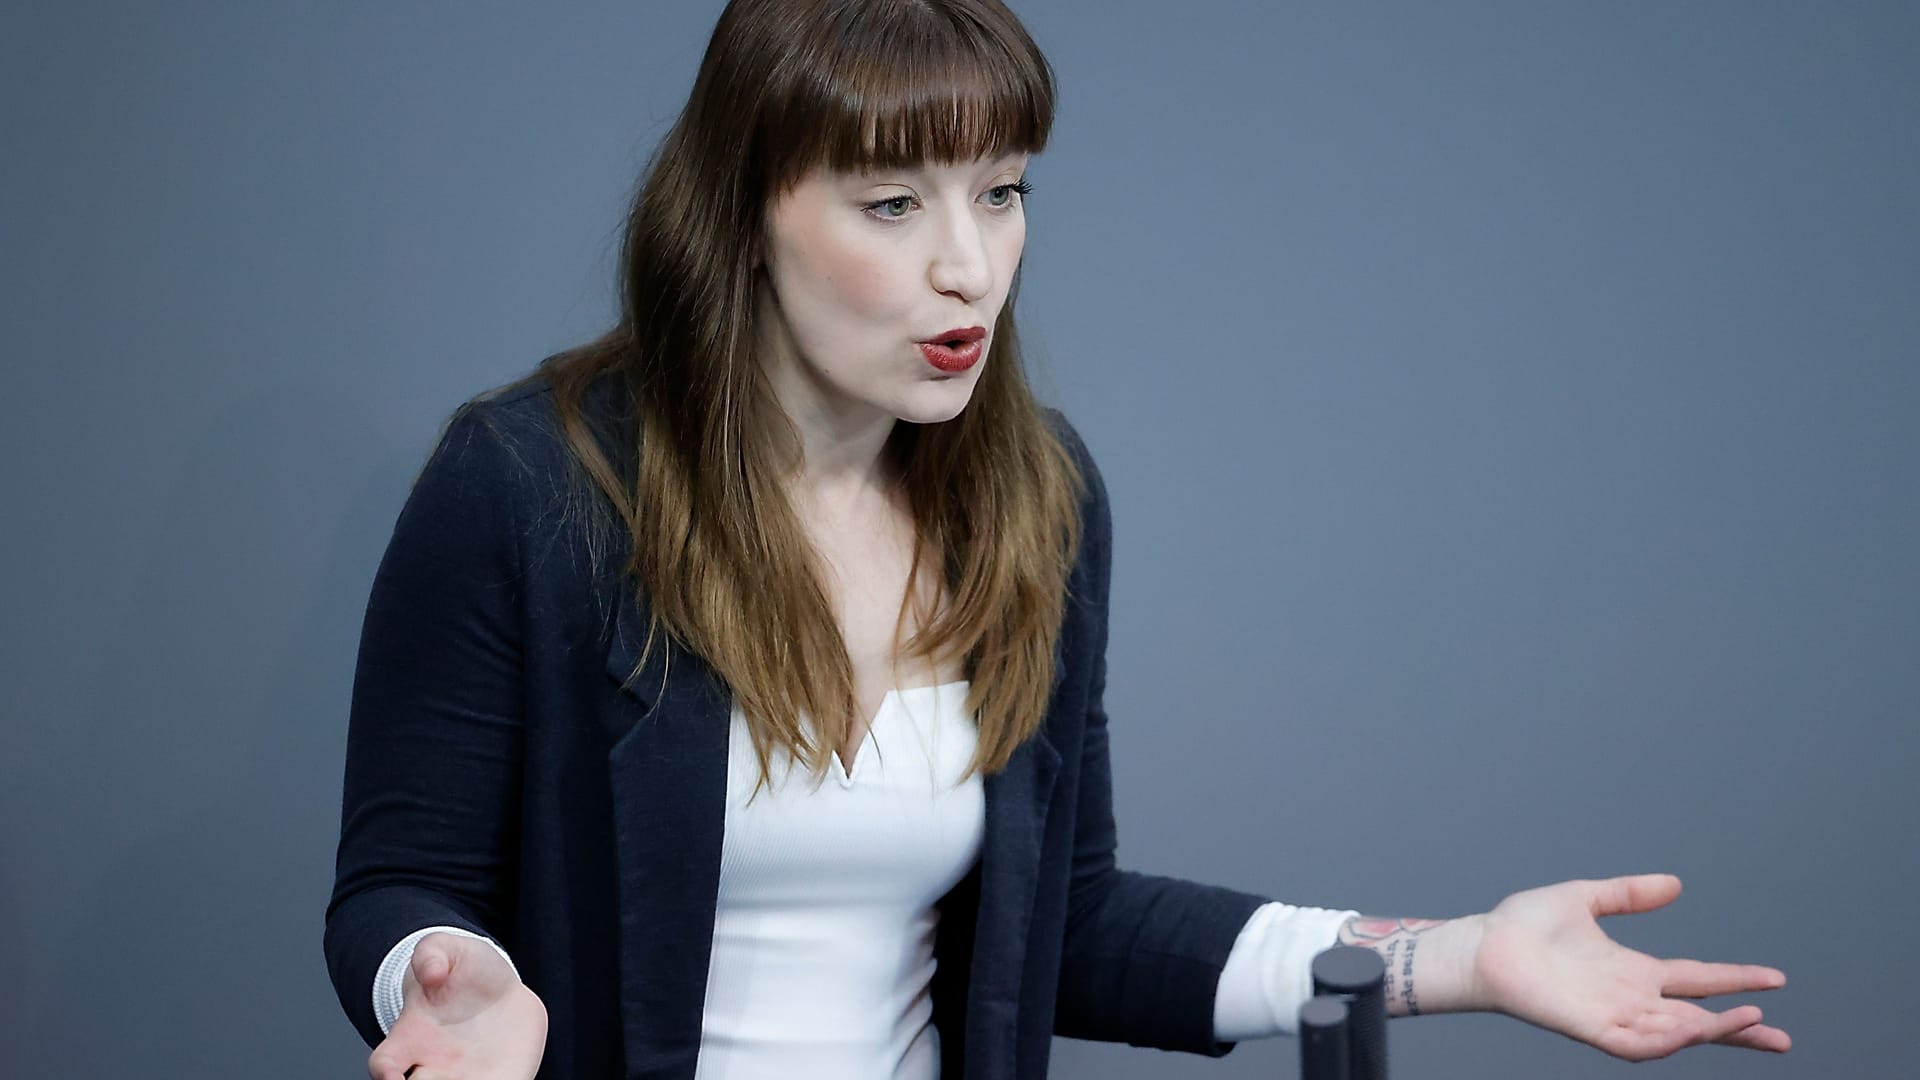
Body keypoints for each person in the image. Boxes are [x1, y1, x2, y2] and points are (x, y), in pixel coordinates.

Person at [323, 1, 1792, 1077]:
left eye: (1003, 190)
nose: (969, 265)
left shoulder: (1038, 500)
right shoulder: (532, 486)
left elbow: (1067, 928)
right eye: (893, 203)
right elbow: (398, 890)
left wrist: (1458, 958)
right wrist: (439, 981)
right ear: (742, 214)